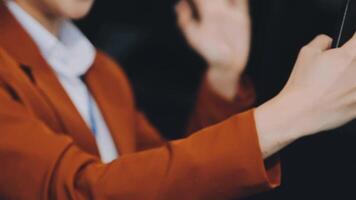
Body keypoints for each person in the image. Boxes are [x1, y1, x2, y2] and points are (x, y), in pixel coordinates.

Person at [1, 0, 356, 199]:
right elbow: (80, 192)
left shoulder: (101, 72)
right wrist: (291, 113)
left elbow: (168, 182)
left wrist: (224, 74)